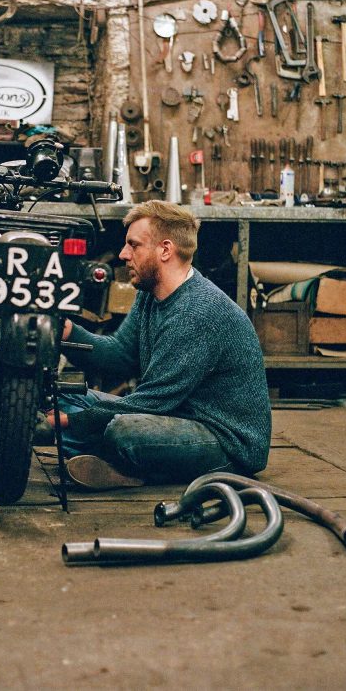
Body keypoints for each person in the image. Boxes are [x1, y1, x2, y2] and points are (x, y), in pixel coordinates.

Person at [52, 200, 271, 490]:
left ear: (165, 250)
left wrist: (71, 424)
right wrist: (65, 332)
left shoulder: (198, 312)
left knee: (123, 430)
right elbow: (119, 354)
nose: (123, 254)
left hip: (228, 444)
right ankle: (121, 463)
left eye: (134, 245)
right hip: (175, 417)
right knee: (67, 399)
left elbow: (153, 402)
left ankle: (134, 471)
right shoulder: (150, 294)